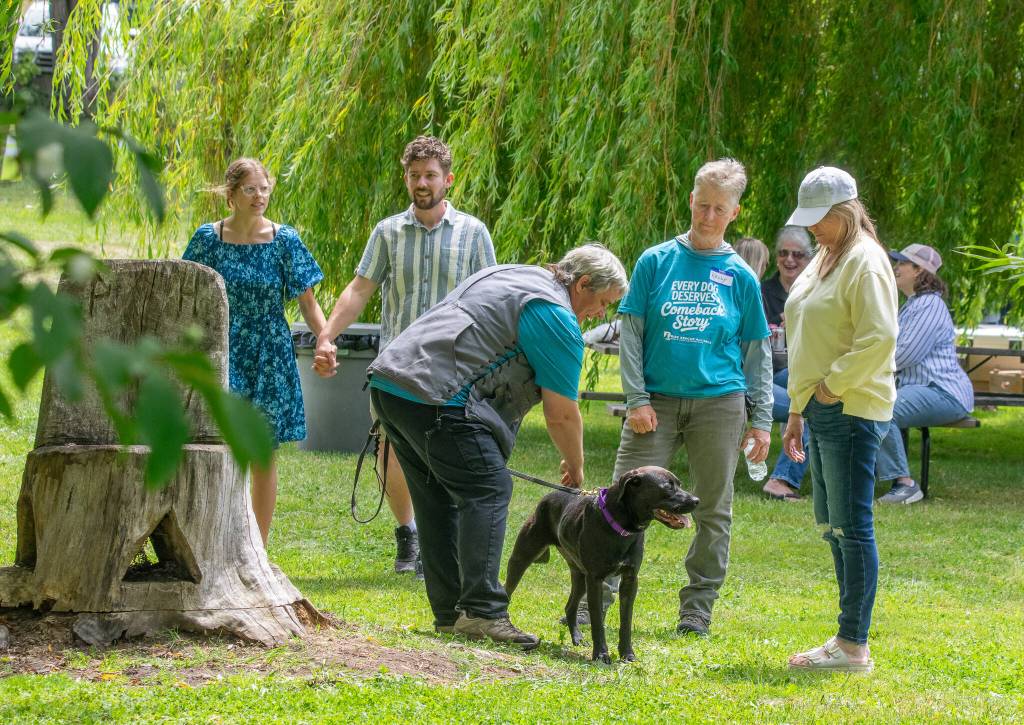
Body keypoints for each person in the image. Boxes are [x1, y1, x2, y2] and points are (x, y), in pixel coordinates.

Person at [366, 245, 627, 649]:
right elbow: (562, 414)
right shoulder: (555, 315)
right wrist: (575, 469)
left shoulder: (513, 275)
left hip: (393, 385)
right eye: (603, 303)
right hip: (438, 397)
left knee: (437, 497)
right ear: (582, 284)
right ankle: (484, 612)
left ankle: (452, 613)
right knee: (488, 488)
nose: (600, 315)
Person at [312, 136, 496, 578]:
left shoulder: (473, 233)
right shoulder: (388, 232)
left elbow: (490, 295)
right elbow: (359, 289)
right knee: (391, 446)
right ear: (406, 178)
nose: (422, 183)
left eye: (430, 175)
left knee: (451, 447)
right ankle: (408, 534)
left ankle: (441, 537)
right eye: (414, 175)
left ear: (448, 180)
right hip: (397, 362)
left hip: (456, 363)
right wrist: (326, 336)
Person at [612, 158, 773, 637]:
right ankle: (594, 596)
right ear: (690, 200)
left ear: (734, 212)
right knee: (618, 498)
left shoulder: (741, 276)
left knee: (713, 509)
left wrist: (761, 419)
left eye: (718, 209)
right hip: (654, 403)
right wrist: (636, 397)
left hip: (719, 405)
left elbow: (756, 354)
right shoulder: (655, 261)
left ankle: (697, 608)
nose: (707, 217)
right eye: (701, 205)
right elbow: (631, 334)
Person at [782, 166, 898, 672]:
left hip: (850, 408)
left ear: (845, 212)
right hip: (820, 408)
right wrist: (795, 409)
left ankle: (854, 645)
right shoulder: (827, 256)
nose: (810, 229)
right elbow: (804, 335)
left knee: (853, 526)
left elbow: (880, 338)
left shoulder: (865, 261)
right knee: (832, 525)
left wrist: (831, 387)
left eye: (819, 219)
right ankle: (845, 637)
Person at [183, 157, 327, 545]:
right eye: (250, 189)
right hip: (221, 352)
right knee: (222, 447)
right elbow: (185, 295)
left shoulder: (285, 241)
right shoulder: (208, 239)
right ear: (230, 195)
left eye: (264, 188)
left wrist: (325, 339)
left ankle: (257, 549)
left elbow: (308, 304)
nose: (259, 196)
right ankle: (217, 538)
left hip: (270, 354)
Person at [875, 244, 974, 504]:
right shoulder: (915, 304)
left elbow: (905, 354)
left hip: (943, 392)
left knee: (882, 408)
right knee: (869, 404)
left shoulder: (929, 305)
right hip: (924, 389)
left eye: (902, 263)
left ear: (919, 270)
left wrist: (865, 366)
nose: (896, 267)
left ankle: (905, 484)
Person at [761, 226, 815, 500]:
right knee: (810, 406)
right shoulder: (762, 292)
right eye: (783, 253)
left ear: (810, 258)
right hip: (764, 374)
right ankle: (782, 479)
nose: (790, 260)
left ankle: (786, 476)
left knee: (813, 394)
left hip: (796, 371)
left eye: (798, 254)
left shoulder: (816, 291)